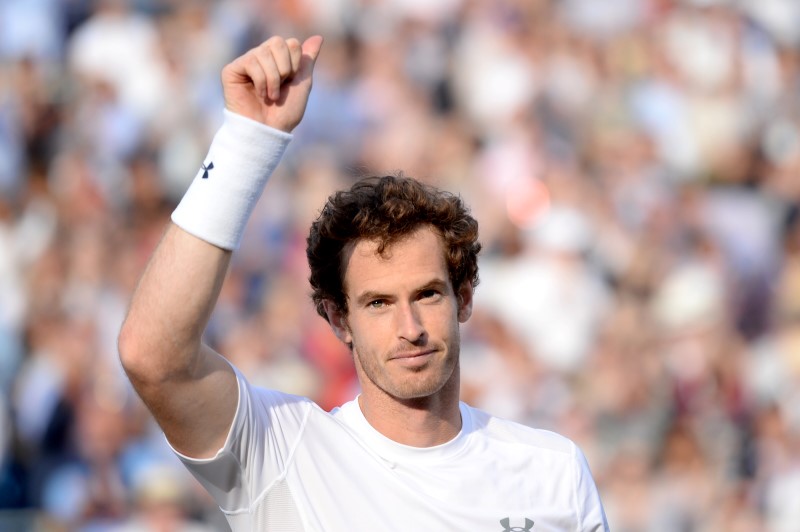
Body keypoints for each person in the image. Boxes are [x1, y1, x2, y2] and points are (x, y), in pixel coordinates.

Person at [117, 35, 610, 531]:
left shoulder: (553, 471)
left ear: (463, 298)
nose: (410, 327)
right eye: (378, 303)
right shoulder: (284, 454)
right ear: (338, 318)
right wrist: (247, 140)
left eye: (427, 294)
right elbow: (153, 355)